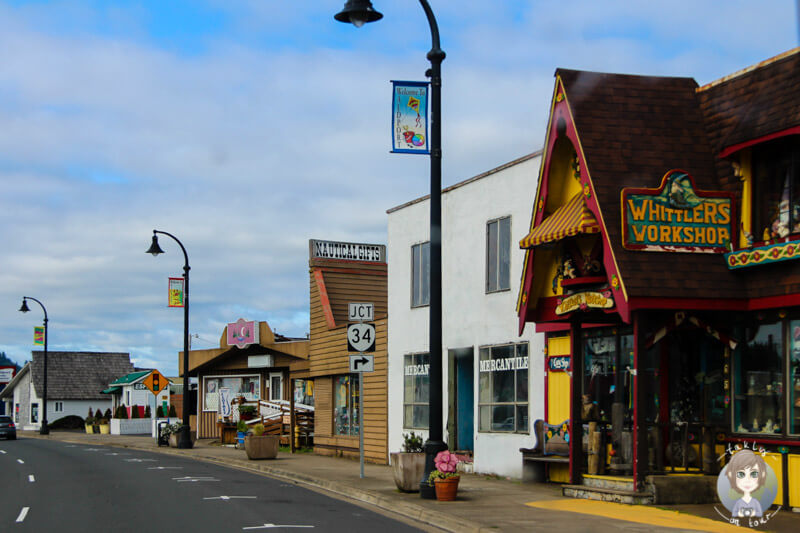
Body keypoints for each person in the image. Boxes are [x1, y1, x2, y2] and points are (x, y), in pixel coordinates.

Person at [725, 449, 768, 517]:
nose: (747, 480)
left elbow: (759, 513)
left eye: (754, 474)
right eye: (741, 474)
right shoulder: (739, 502)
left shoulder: (755, 502)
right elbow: (734, 513)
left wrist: (753, 513)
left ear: (762, 474)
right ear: (731, 475)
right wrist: (739, 514)